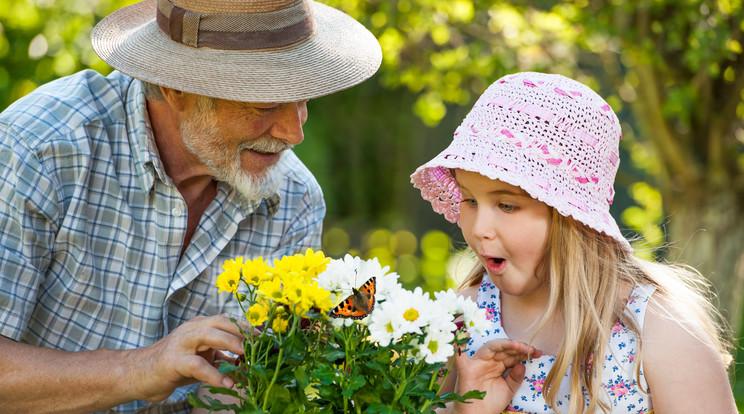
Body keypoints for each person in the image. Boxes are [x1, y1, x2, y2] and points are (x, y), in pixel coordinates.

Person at [0, 0, 381, 412]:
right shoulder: (41, 149)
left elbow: (243, 392)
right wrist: (140, 369)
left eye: (303, 99)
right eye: (265, 105)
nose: (294, 132)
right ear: (176, 88)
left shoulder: (292, 198)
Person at [411, 72, 737, 413]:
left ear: (571, 218)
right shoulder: (463, 322)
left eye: (507, 205)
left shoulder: (657, 332)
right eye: (469, 200)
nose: (479, 228)